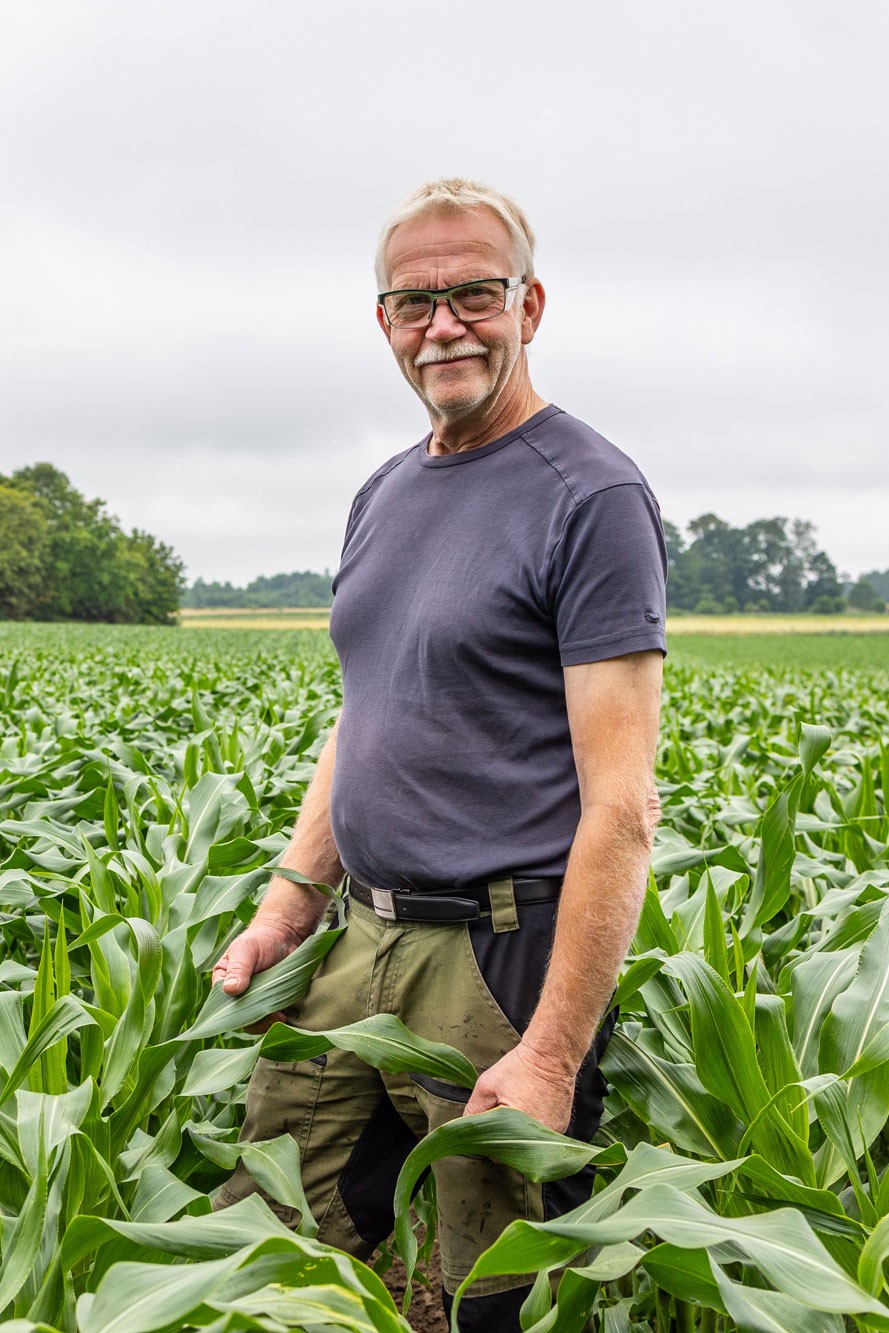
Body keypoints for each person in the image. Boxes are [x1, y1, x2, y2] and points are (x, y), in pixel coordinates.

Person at [210, 178, 667, 1333]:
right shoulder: (384, 490)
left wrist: (553, 1052)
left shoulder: (588, 495)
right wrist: (288, 901)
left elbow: (620, 805)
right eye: (415, 302)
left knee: (495, 1290)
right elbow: (364, 714)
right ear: (382, 321)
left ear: (529, 304)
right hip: (356, 938)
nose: (444, 325)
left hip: (493, 953)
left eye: (472, 294)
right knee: (262, 1232)